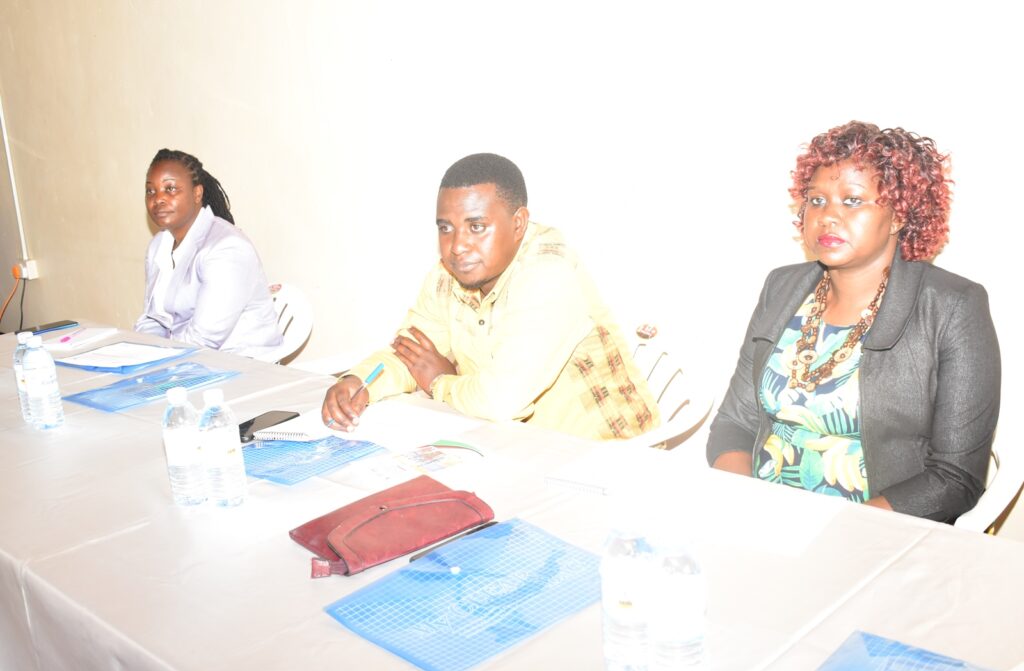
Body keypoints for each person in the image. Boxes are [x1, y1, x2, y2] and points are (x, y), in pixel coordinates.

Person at [706, 121, 1000, 522]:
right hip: (760, 520)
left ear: (898, 215)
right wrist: (746, 508)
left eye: (852, 201)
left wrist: (837, 532)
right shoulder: (783, 286)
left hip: (873, 534)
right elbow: (733, 423)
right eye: (816, 200)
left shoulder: (952, 306)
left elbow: (954, 477)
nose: (828, 217)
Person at [322, 152, 659, 441]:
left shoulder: (547, 272)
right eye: (445, 228)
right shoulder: (449, 273)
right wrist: (358, 382)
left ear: (518, 224)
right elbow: (411, 354)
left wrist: (440, 381)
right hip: (511, 445)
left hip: (604, 456)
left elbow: (500, 401)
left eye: (477, 226)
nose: (457, 246)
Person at [134, 149, 283, 357]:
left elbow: (204, 339)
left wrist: (156, 359)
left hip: (240, 365)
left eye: (170, 189)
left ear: (197, 193)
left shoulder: (227, 248)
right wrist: (143, 351)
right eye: (151, 191)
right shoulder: (158, 245)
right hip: (183, 359)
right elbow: (152, 318)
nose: (158, 199)